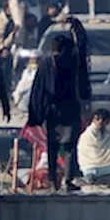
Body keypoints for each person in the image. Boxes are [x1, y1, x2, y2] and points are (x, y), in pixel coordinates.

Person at [27, 31, 84, 190]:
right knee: (69, 147)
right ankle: (67, 180)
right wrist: (76, 30)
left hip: (52, 111)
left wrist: (36, 112)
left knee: (52, 146)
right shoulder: (71, 61)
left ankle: (53, 181)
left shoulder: (46, 63)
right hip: (69, 109)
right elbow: (81, 49)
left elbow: (38, 89)